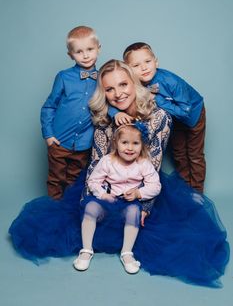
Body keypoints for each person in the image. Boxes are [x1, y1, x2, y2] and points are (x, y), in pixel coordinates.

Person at [9, 60, 229, 288]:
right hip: (108, 186)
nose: (118, 93)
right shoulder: (105, 120)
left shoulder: (159, 117)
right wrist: (92, 201)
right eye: (109, 89)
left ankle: (129, 247)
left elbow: (152, 165)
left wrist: (144, 206)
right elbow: (96, 164)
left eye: (123, 84)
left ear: (134, 83)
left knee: (166, 234)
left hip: (141, 186)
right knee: (85, 217)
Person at [117, 42, 206, 192]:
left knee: (194, 155)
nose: (144, 67)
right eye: (136, 65)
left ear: (156, 61)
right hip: (173, 119)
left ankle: (197, 191)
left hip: (193, 115)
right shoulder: (132, 85)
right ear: (128, 70)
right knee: (179, 154)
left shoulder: (171, 81)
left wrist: (156, 98)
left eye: (147, 61)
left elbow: (185, 112)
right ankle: (185, 190)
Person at [73, 124, 161, 273]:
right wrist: (103, 195)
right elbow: (93, 181)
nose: (130, 148)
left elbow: (156, 186)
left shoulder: (144, 163)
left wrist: (138, 193)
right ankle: (86, 249)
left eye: (135, 143)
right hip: (108, 201)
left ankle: (127, 252)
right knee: (90, 207)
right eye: (124, 142)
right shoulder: (108, 161)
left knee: (134, 211)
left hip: (129, 203)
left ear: (142, 146)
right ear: (116, 143)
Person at [40, 26, 101, 199]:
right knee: (56, 178)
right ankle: (54, 210)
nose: (86, 55)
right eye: (79, 52)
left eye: (90, 49)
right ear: (70, 55)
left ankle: (69, 210)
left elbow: (108, 103)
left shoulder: (103, 78)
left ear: (98, 48)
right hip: (59, 141)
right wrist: (48, 134)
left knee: (75, 180)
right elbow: (49, 106)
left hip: (84, 143)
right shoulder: (64, 77)